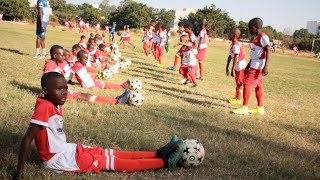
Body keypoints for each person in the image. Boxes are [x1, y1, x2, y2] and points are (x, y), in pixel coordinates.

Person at [15, 72, 184, 178]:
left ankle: (157, 153)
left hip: (67, 149)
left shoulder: (53, 103)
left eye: (66, 88)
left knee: (107, 152)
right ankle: (164, 162)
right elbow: (27, 139)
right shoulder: (44, 107)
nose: (65, 92)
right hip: (58, 159)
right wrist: (19, 174)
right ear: (45, 91)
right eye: (60, 89)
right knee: (108, 161)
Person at [43, 45, 132, 105]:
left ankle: (117, 97)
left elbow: (64, 76)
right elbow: (46, 80)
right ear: (55, 56)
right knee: (86, 96)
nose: (64, 57)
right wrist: (51, 94)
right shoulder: (50, 64)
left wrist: (66, 83)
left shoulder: (56, 64)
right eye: (62, 55)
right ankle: (116, 101)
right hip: (57, 94)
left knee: (87, 94)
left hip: (60, 92)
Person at [232, 17, 270, 115]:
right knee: (258, 86)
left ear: (256, 27)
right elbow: (254, 55)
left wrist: (266, 66)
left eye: (250, 28)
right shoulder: (256, 38)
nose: (249, 30)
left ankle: (245, 107)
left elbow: (268, 50)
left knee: (246, 84)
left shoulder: (263, 37)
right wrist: (248, 66)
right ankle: (260, 108)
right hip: (254, 64)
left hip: (258, 66)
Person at [226, 28, 246, 105]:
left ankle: (238, 99)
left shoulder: (235, 45)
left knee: (239, 82)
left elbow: (236, 56)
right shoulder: (233, 44)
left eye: (230, 33)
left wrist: (232, 69)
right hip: (237, 65)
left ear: (233, 35)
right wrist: (227, 67)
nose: (228, 34)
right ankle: (236, 97)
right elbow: (230, 56)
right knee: (237, 81)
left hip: (240, 65)